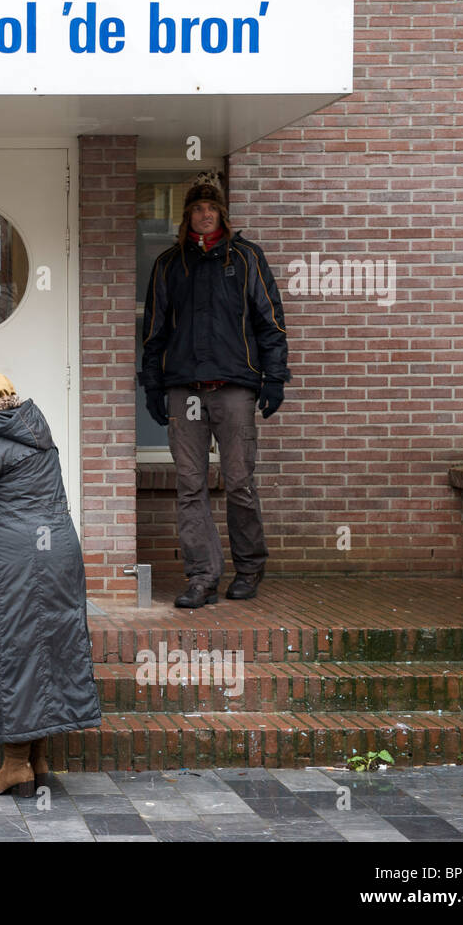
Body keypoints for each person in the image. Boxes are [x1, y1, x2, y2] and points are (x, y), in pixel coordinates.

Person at [0, 366, 100, 796]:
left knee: (13, 654)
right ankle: (38, 761)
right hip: (58, 553)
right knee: (49, 650)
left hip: (16, 560)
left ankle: (15, 766)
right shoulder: (34, 425)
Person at [139, 171, 291, 608]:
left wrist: (274, 378)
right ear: (186, 216)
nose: (204, 215)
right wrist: (154, 385)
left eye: (211, 208)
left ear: (220, 213)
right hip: (183, 390)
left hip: (234, 388)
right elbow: (154, 332)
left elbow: (271, 322)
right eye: (196, 209)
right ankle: (202, 576)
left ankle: (249, 568)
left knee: (239, 481)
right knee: (190, 485)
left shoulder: (245, 258)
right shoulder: (170, 265)